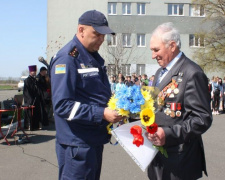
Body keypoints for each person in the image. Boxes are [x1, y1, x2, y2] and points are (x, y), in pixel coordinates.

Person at [49, 10, 123, 180]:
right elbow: (62, 105)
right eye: (97, 34)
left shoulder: (91, 57)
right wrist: (102, 113)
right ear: (81, 30)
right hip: (77, 145)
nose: (102, 39)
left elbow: (95, 94)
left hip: (91, 141)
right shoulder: (67, 59)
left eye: (104, 35)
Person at [146, 22, 212, 180]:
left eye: (156, 50)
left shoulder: (192, 73)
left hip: (180, 161)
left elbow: (202, 118)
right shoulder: (160, 72)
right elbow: (158, 107)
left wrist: (168, 134)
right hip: (157, 158)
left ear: (172, 46)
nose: (153, 56)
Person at [23, 65, 46, 130]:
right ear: (30, 72)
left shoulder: (35, 80)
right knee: (30, 114)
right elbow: (26, 92)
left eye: (35, 71)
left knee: (37, 113)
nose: (34, 72)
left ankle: (36, 125)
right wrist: (30, 100)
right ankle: (29, 126)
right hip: (30, 99)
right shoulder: (27, 80)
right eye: (33, 71)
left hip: (36, 99)